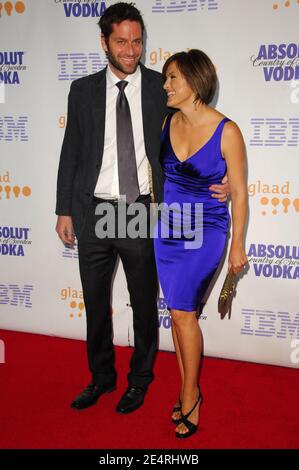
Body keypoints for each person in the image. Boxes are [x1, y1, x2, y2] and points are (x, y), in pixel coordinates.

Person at [55, 3, 229, 415]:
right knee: (95, 302)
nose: (131, 49)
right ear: (104, 42)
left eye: (137, 41)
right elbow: (71, 151)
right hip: (94, 208)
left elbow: (201, 121)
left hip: (140, 209)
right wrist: (64, 208)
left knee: (143, 300)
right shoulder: (81, 90)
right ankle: (101, 378)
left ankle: (140, 380)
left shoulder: (161, 87)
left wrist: (218, 174)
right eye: (121, 41)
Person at [154, 49, 248, 438]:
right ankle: (186, 388)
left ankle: (191, 395)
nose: (166, 85)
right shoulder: (167, 121)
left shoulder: (228, 131)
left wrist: (238, 244)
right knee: (177, 315)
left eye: (173, 78)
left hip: (207, 230)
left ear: (195, 81)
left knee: (183, 314)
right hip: (168, 229)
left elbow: (239, 194)